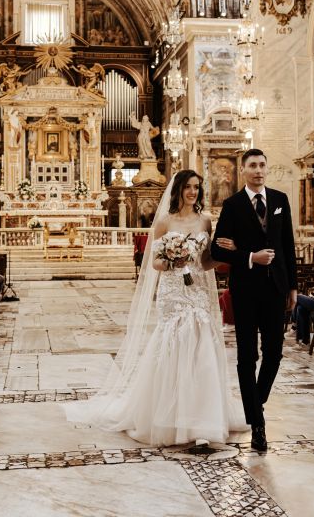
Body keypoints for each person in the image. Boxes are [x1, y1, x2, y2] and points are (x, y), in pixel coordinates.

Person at [65, 170, 245, 446]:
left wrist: (228, 255)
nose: (193, 192)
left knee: (202, 347)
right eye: (188, 187)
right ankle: (169, 417)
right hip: (173, 292)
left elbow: (207, 261)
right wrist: (174, 259)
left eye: (197, 187)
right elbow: (155, 263)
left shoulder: (205, 221)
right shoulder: (164, 221)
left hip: (197, 290)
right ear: (178, 190)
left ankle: (202, 420)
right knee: (173, 344)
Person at [210, 148, 298, 452]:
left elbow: (287, 246)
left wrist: (293, 287)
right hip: (245, 290)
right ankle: (257, 425)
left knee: (274, 353)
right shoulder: (232, 205)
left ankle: (255, 402)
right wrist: (249, 256)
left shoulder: (280, 200)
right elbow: (217, 249)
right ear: (243, 170)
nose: (258, 170)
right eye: (253, 165)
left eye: (262, 165)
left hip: (276, 288)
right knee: (247, 357)